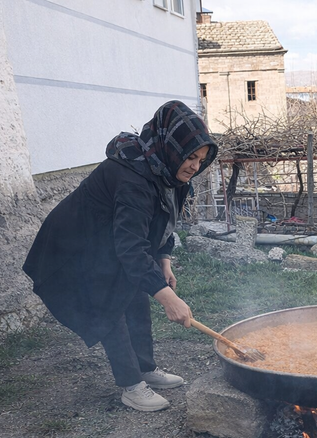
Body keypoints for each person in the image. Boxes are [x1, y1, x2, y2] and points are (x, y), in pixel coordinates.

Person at [23, 101, 217, 412]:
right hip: (72, 247)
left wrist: (163, 260)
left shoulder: (169, 172)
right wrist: (168, 298)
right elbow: (130, 247)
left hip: (109, 241)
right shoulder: (133, 178)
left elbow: (162, 221)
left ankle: (145, 368)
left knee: (135, 291)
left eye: (200, 159)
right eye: (190, 156)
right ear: (170, 146)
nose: (195, 165)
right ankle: (131, 385)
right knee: (109, 302)